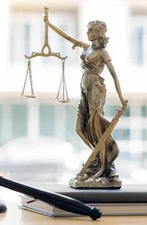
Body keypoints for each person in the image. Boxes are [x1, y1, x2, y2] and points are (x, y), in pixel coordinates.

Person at [45, 16, 126, 181]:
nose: (87, 32)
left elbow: (114, 75)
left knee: (97, 129)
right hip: (84, 89)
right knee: (80, 128)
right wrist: (49, 24)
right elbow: (67, 37)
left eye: (90, 30)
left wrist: (121, 99)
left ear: (98, 33)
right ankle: (97, 160)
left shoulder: (103, 53)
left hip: (96, 88)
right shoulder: (87, 47)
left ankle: (104, 167)